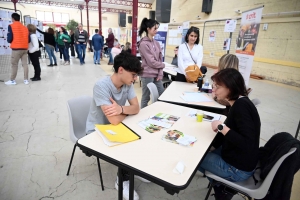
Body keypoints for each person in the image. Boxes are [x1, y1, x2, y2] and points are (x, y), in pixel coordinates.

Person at [85, 51, 146, 200]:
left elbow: (136, 108)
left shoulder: (127, 83)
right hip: (96, 130)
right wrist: (125, 112)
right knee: (126, 146)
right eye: (133, 74)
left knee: (142, 135)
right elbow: (113, 121)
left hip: (115, 127)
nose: (135, 78)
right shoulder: (101, 86)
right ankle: (122, 180)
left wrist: (121, 109)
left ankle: (134, 169)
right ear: (120, 70)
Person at [198, 68, 261, 200]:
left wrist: (222, 127)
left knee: (196, 159)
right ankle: (221, 187)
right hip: (237, 158)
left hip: (239, 169)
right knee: (202, 152)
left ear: (231, 88)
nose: (214, 90)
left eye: (218, 87)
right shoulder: (239, 102)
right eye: (214, 86)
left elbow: (247, 143)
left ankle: (223, 189)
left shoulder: (240, 107)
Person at [138, 18, 165, 108]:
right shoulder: (143, 44)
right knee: (146, 97)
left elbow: (160, 59)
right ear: (148, 29)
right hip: (147, 74)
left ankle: (156, 111)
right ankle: (142, 115)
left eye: (157, 28)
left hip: (157, 74)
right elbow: (151, 62)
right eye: (155, 29)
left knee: (161, 94)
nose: (156, 31)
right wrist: (163, 65)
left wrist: (160, 73)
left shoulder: (156, 43)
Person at [5, 13, 30, 85]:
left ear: (12, 18)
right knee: (25, 64)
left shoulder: (11, 26)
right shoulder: (25, 27)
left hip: (16, 48)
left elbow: (9, 39)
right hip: (25, 48)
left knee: (14, 64)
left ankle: (12, 80)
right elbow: (28, 40)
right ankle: (26, 80)